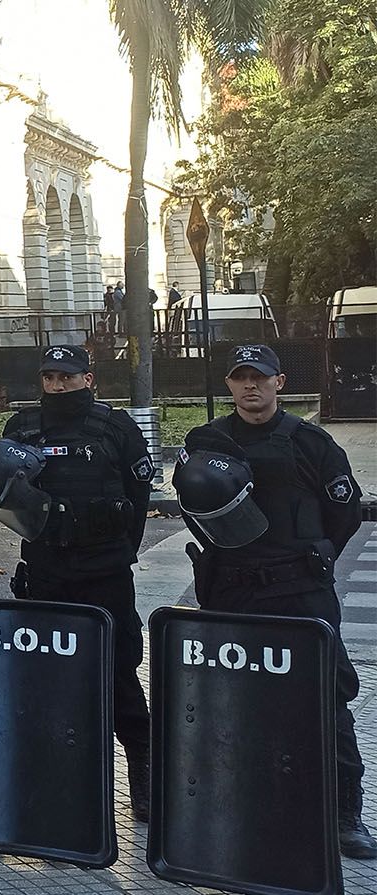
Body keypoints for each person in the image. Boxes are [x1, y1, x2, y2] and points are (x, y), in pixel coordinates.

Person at [180, 345, 374, 858]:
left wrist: (307, 556)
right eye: (241, 378)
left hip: (299, 592)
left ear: (279, 382)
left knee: (325, 699)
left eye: (260, 378)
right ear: (229, 384)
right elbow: (194, 506)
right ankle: (241, 804)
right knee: (234, 703)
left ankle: (344, 814)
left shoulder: (311, 443)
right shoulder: (208, 440)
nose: (251, 387)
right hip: (234, 591)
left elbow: (344, 515)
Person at [2, 344, 154, 821]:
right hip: (46, 572)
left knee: (118, 675)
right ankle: (59, 779)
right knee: (50, 679)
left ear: (89, 380)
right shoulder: (22, 428)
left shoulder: (116, 427)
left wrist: (110, 546)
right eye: (49, 377)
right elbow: (6, 495)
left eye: (67, 377)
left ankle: (144, 774)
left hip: (104, 573)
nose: (58, 385)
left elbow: (138, 494)